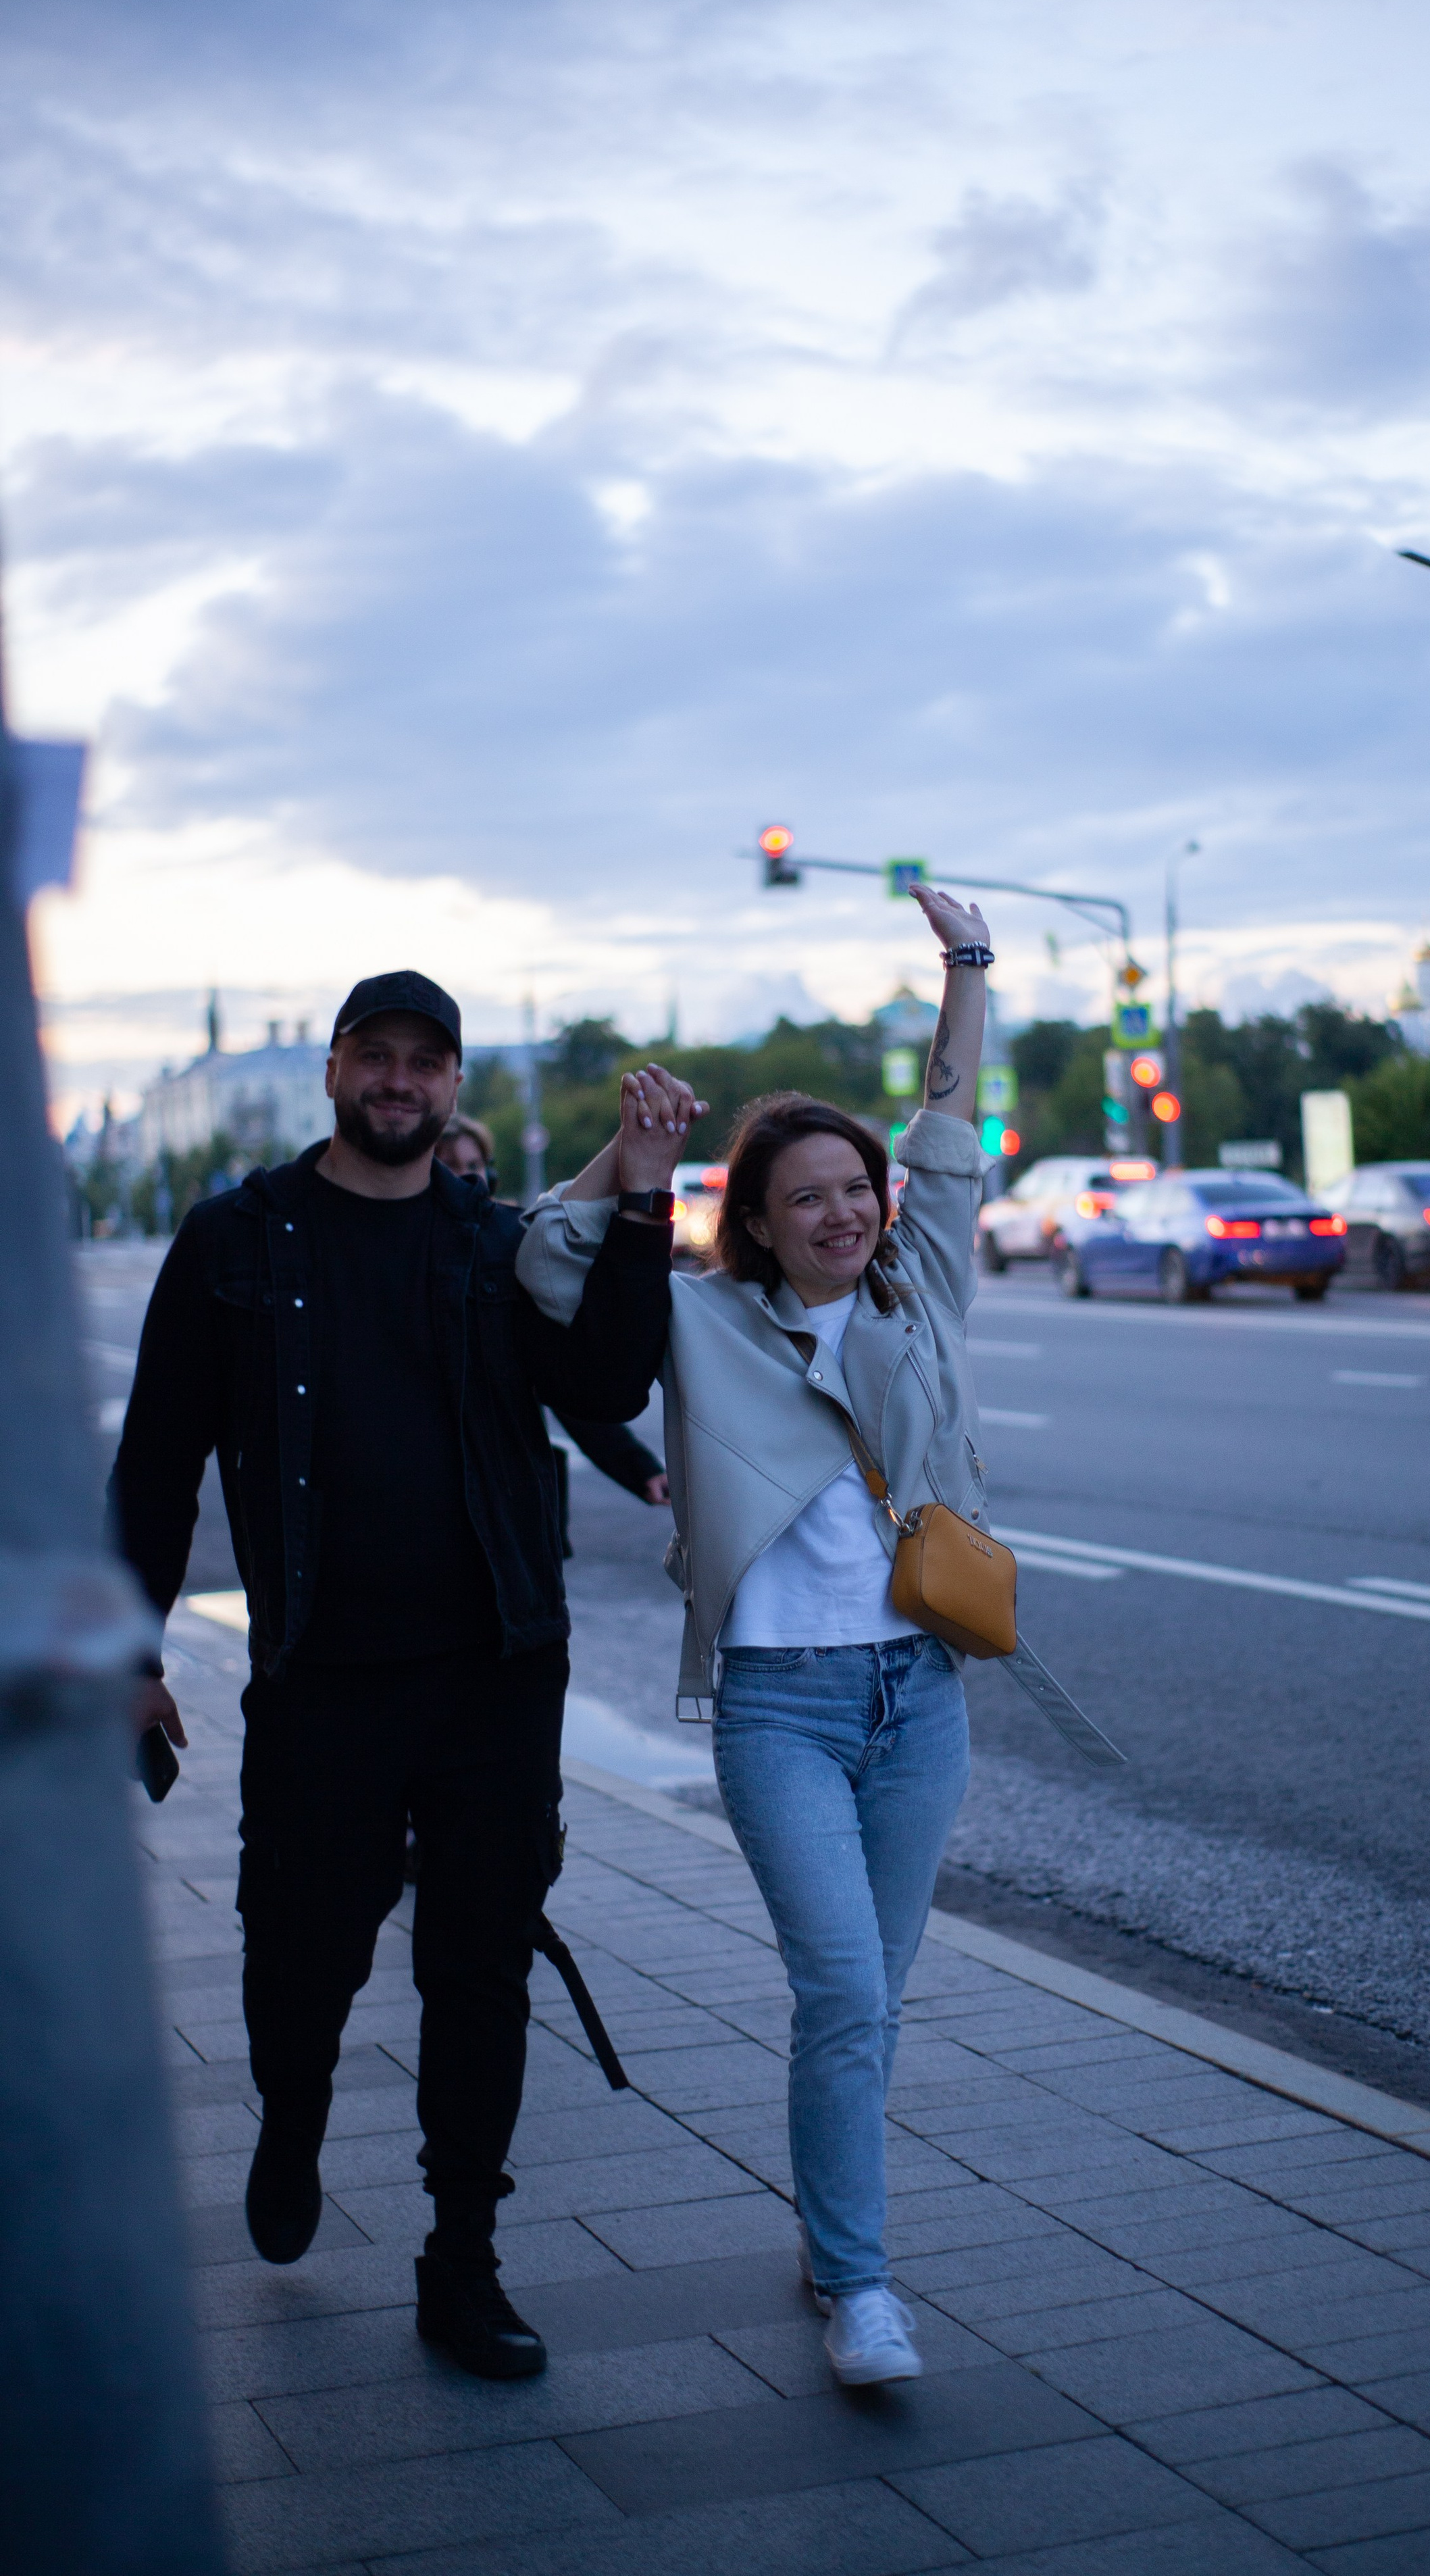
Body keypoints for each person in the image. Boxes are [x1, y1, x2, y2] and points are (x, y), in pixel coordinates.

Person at [110, 969, 696, 2379]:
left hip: (498, 1671)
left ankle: (462, 2264)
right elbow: (155, 1466)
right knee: (299, 1959)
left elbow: (608, 1385)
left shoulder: (499, 1244)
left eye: (426, 1064)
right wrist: (131, 1653)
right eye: (375, 1056)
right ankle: (294, 2112)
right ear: (331, 1073)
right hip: (320, 1676)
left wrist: (645, 1201)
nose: (400, 1082)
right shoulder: (234, 1242)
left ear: (452, 1092)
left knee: (479, 1968)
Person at [517, 888, 995, 2386]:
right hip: (780, 1708)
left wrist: (966, 970)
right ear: (760, 1220)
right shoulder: (697, 1319)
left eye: (856, 1187)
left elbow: (948, 1129)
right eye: (808, 1197)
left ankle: (827, 2239)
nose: (844, 1210)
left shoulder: (924, 1291)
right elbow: (542, 1256)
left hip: (919, 1699)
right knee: (842, 1991)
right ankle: (860, 2287)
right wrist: (630, 1157)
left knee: (873, 1998)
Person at [436, 1112, 669, 1509]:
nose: (467, 1177)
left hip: (511, 1490)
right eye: (450, 1166)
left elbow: (564, 1382)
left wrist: (639, 1467)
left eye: (473, 1166)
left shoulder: (512, 1243)